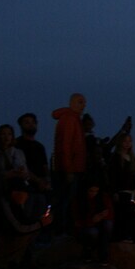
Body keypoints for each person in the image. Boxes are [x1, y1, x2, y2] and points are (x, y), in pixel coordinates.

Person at [52, 92, 87, 235]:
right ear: (72, 103)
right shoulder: (69, 119)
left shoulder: (74, 119)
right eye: (80, 102)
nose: (83, 105)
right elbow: (65, 146)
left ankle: (65, 230)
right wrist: (68, 170)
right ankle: (61, 231)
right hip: (71, 170)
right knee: (65, 201)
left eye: (84, 102)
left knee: (68, 201)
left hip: (74, 168)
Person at [73, 178, 115, 265]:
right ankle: (88, 252)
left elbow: (110, 212)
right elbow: (76, 220)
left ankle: (103, 256)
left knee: (107, 226)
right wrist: (92, 220)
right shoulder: (79, 200)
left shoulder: (103, 197)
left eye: (96, 191)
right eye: (91, 191)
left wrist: (102, 216)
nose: (94, 194)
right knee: (93, 232)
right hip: (85, 226)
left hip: (101, 224)